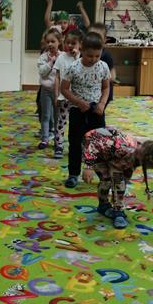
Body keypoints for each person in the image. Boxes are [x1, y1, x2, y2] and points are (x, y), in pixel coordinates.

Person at [82, 127, 153, 229]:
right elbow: (92, 143)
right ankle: (107, 206)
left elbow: (126, 170)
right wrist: (88, 166)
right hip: (96, 150)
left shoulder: (140, 153)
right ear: (147, 158)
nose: (150, 168)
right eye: (151, 167)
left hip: (114, 156)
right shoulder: (125, 149)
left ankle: (115, 209)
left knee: (120, 182)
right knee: (107, 180)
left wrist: (122, 182)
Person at [61, 32, 110, 188]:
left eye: (97, 56)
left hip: (96, 110)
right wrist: (78, 102)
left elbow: (106, 87)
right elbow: (64, 89)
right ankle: (73, 174)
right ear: (81, 50)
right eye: (89, 56)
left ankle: (100, 172)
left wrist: (102, 104)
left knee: (99, 142)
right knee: (75, 142)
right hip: (78, 110)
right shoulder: (73, 67)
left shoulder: (103, 66)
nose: (93, 59)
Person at [53, 30, 81, 159]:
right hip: (64, 97)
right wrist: (56, 95)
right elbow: (57, 77)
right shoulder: (61, 57)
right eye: (67, 43)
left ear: (79, 44)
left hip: (76, 98)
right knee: (61, 121)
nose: (70, 45)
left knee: (76, 124)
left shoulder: (81, 58)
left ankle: (75, 146)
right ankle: (59, 145)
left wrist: (76, 57)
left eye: (73, 43)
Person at [37, 29, 61, 149]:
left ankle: (57, 140)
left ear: (59, 42)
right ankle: (45, 139)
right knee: (45, 116)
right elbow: (42, 72)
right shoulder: (43, 57)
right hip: (45, 91)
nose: (50, 44)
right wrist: (51, 62)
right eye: (48, 42)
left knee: (57, 117)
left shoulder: (63, 56)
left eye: (53, 41)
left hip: (59, 92)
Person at [88, 21, 116, 104]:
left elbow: (113, 76)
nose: (94, 40)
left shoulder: (105, 56)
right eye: (92, 36)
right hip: (90, 93)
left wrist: (99, 80)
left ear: (104, 40)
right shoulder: (84, 54)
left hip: (104, 93)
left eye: (98, 37)